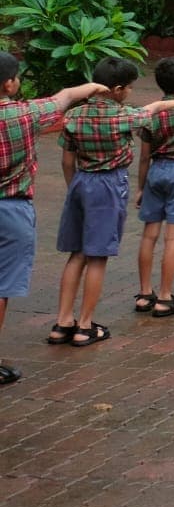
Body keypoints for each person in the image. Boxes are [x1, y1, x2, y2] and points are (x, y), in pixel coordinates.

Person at [50, 57, 174, 350]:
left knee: (77, 254)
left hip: (81, 181)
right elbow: (149, 111)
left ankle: (63, 322)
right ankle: (85, 326)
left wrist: (74, 187)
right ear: (116, 89)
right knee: (97, 256)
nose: (130, 91)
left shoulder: (74, 116)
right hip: (108, 184)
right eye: (128, 87)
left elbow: (66, 161)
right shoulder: (123, 117)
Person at [0, 54, 106, 383]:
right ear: (9, 84)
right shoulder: (24, 114)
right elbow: (64, 97)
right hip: (11, 210)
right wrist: (92, 87)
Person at [132, 57, 174, 319]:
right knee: (173, 237)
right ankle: (164, 297)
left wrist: (141, 187)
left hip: (156, 170)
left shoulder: (152, 115)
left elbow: (144, 157)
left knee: (149, 235)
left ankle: (144, 293)